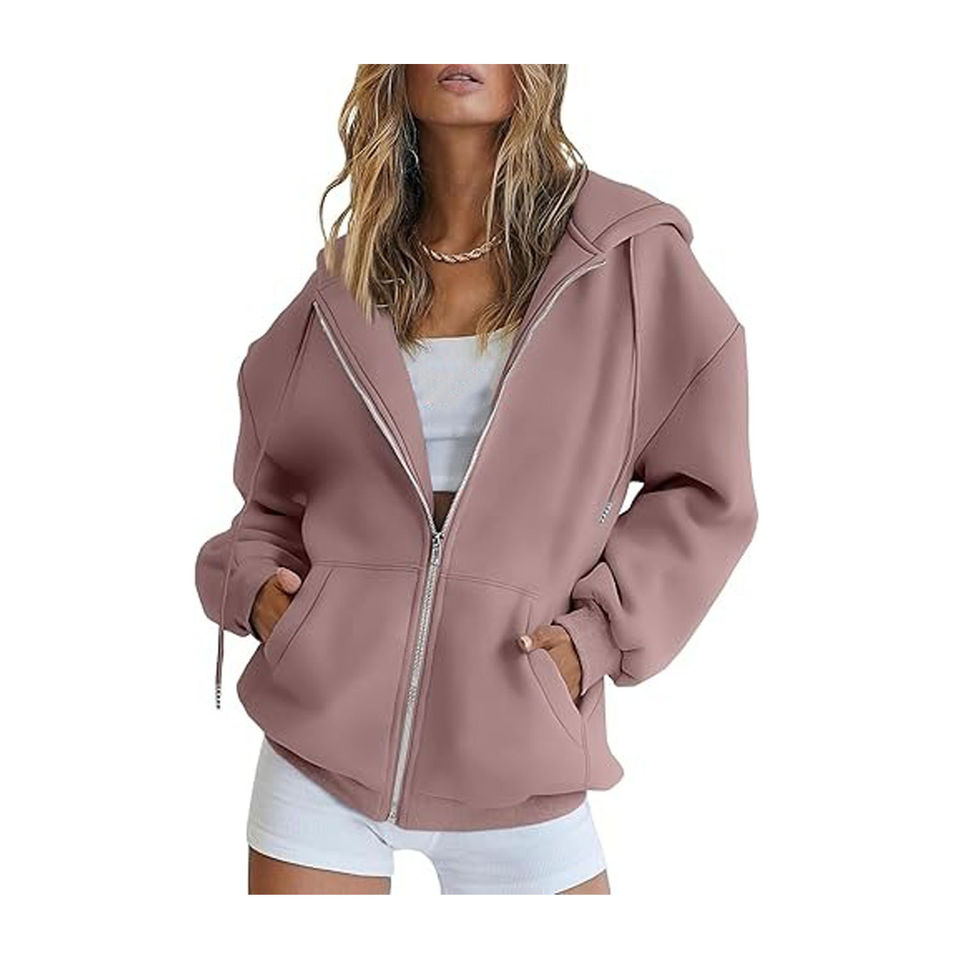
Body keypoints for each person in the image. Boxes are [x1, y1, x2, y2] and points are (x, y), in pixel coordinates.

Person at [195, 64, 758, 895]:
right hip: (320, 755)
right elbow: (271, 493)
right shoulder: (350, 278)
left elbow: (705, 489)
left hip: (520, 754)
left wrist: (595, 639)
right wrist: (260, 595)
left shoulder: (625, 257)